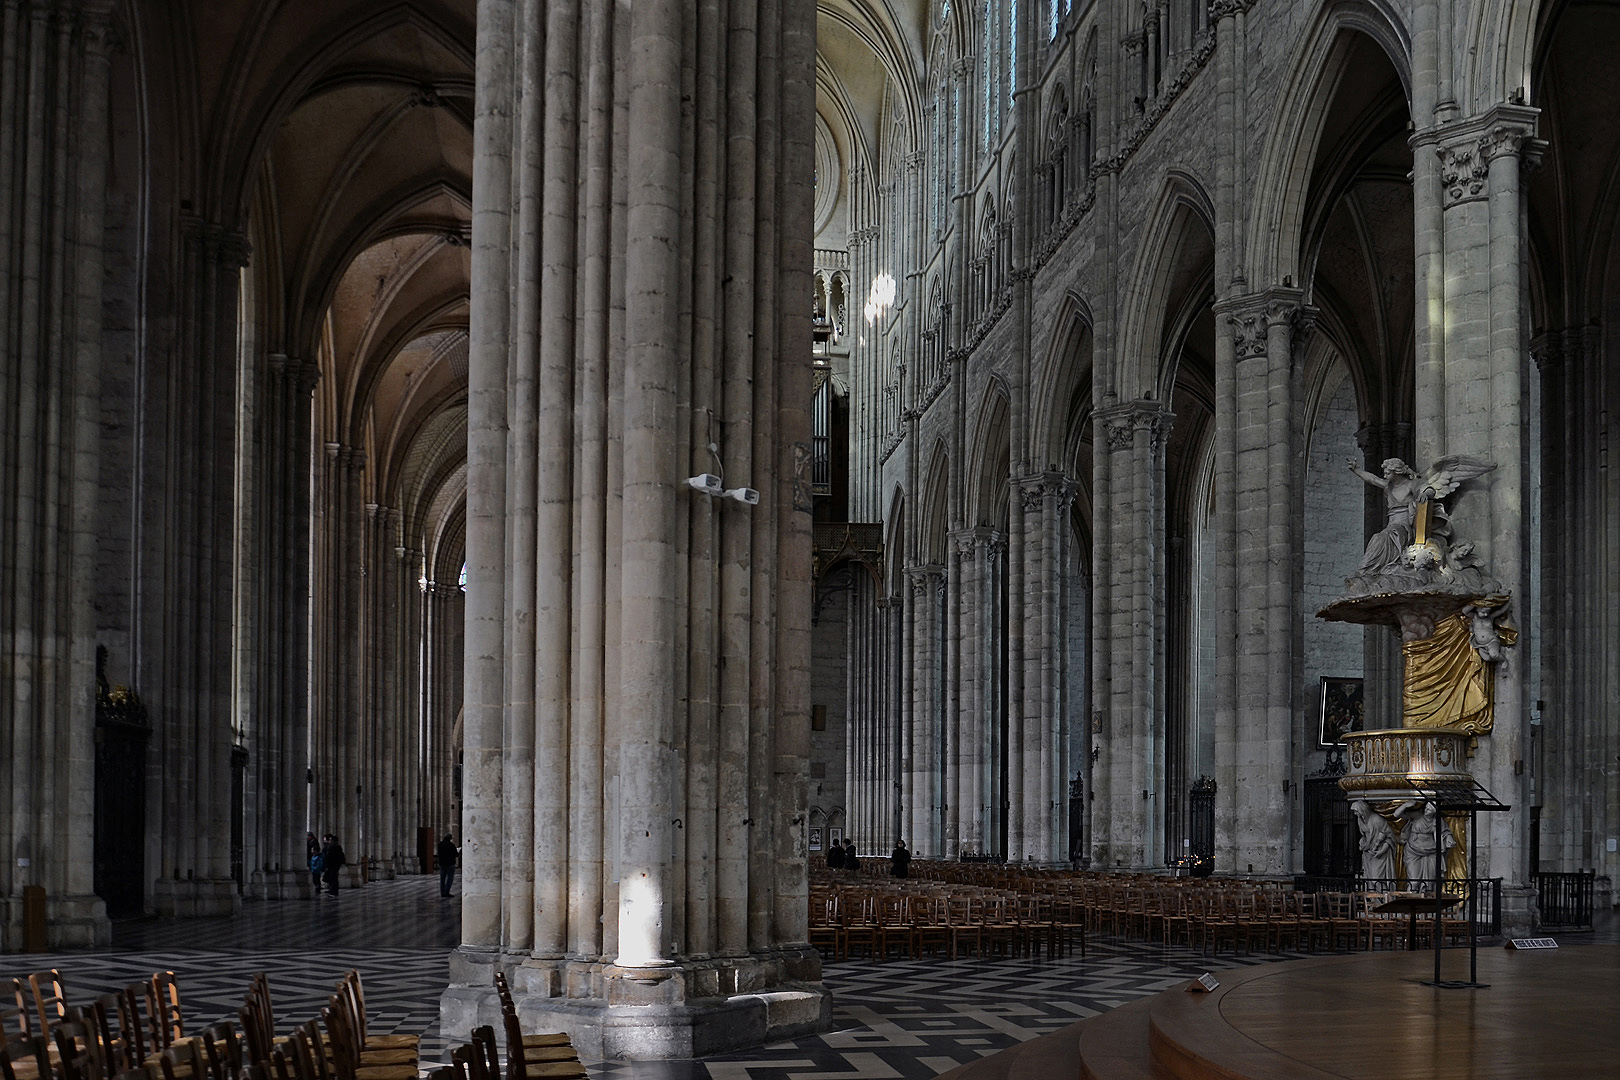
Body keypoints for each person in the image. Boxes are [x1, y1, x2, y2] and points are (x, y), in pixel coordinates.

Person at [1395, 800, 1454, 890]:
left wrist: (1449, 838)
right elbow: (1396, 815)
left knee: (1430, 881)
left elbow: (1445, 831)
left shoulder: (1438, 820)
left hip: (1431, 852)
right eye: (1426, 808)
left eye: (1429, 810)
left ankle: (1429, 902)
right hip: (1413, 851)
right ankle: (1411, 901)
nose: (1426, 811)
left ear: (1435, 812)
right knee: (1414, 881)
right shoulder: (1417, 815)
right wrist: (1405, 805)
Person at [1351, 801, 1396, 884]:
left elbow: (1389, 837)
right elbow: (1364, 835)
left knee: (1377, 878)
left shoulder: (1377, 820)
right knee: (1369, 879)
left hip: (1379, 852)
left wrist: (1381, 851)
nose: (1355, 813)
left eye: (1356, 811)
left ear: (1362, 809)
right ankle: (1373, 896)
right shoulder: (1360, 820)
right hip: (1368, 851)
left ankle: (1383, 896)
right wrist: (1363, 843)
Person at [436, 831, 460, 897]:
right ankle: (446, 892)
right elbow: (456, 854)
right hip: (450, 863)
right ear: (450, 838)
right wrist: (458, 851)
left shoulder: (440, 844)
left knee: (442, 878)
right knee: (450, 878)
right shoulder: (451, 845)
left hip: (442, 863)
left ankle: (442, 892)